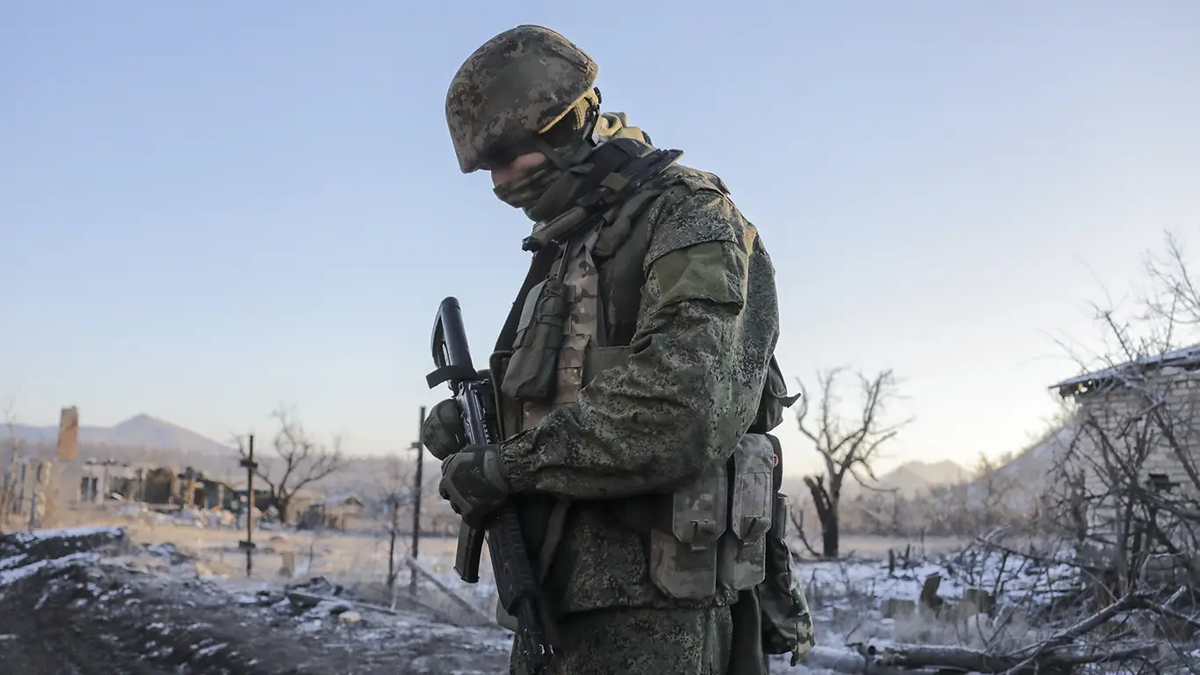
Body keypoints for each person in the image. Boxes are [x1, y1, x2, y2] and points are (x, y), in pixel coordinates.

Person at [423, 25, 815, 674]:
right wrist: (477, 422)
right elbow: (564, 383)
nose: (497, 184)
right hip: (558, 596)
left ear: (563, 122)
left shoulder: (690, 216)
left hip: (662, 610)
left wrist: (507, 466)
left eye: (505, 157)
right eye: (484, 168)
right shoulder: (570, 244)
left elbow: (675, 412)